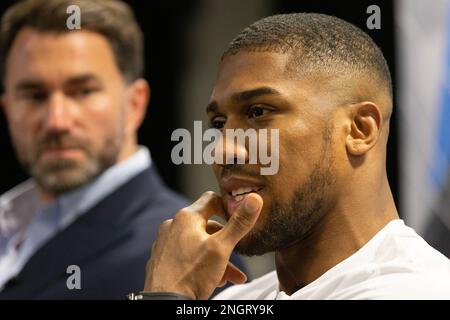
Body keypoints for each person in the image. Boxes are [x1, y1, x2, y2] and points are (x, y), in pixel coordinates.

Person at [141, 13, 450, 300]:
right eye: (219, 124)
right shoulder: (238, 297)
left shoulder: (418, 289)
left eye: (258, 112)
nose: (222, 150)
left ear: (359, 130)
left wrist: (167, 294)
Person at [0, 0, 244, 299]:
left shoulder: (195, 249)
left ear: (135, 104)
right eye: (34, 95)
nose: (57, 121)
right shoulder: (8, 225)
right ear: (8, 108)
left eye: (83, 91)